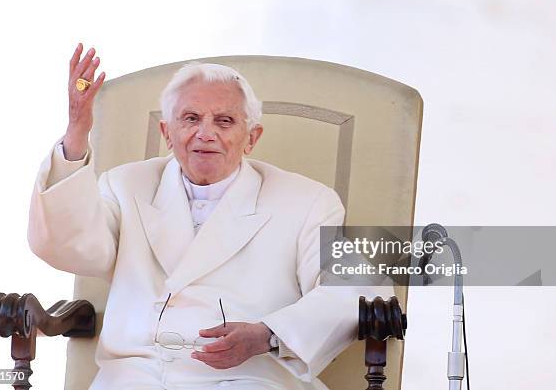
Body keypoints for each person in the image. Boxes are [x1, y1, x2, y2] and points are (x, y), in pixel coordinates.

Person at [28, 43, 392, 390]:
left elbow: (359, 289)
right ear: (167, 132)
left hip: (249, 377)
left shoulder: (305, 200)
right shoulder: (127, 185)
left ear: (252, 138)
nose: (206, 133)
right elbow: (66, 246)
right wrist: (77, 134)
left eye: (224, 120)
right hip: (134, 376)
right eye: (190, 118)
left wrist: (267, 334)